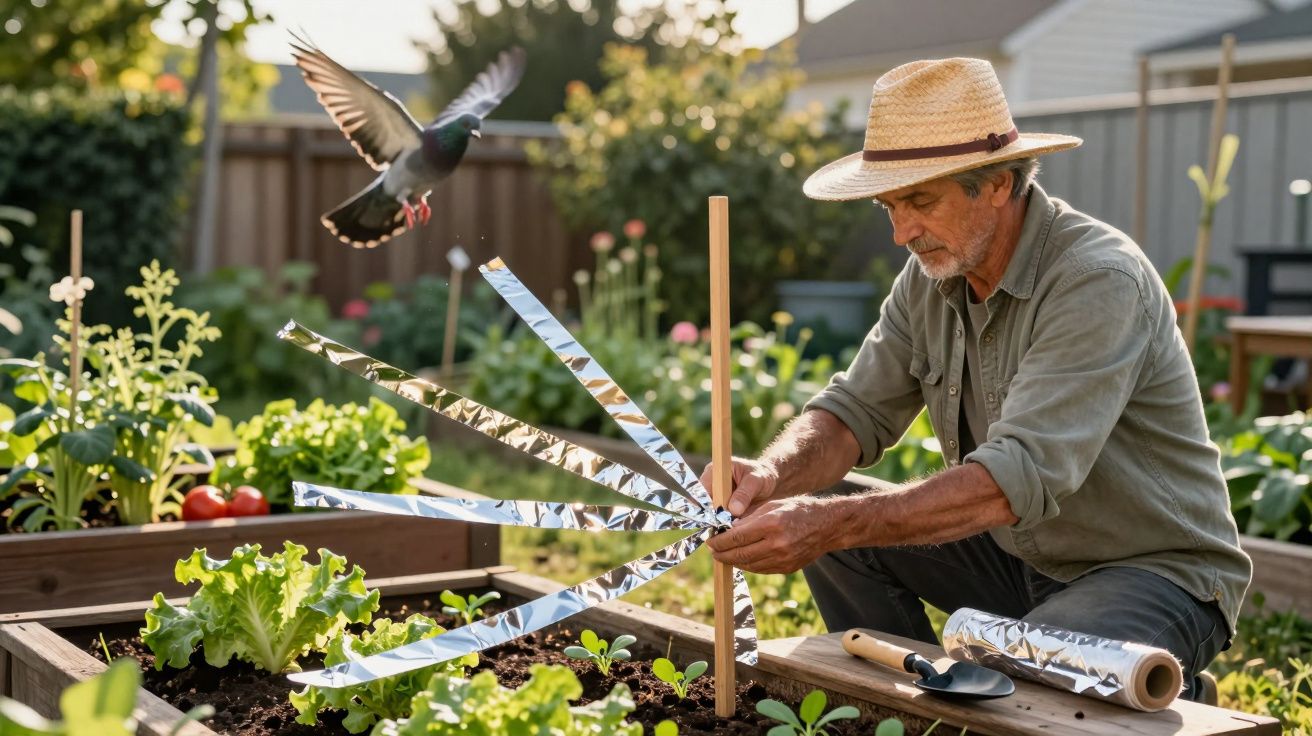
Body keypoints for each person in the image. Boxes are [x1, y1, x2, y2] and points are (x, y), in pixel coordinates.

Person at [702, 57, 1251, 702]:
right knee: (830, 515)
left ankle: (1163, 693)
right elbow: (854, 412)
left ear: (997, 184)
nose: (901, 232)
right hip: (1020, 558)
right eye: (889, 206)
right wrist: (772, 475)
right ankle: (893, 708)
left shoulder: (1097, 279)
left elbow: (1016, 476)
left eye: (920, 201)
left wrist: (836, 521)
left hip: (1151, 570)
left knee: (1016, 678)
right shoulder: (930, 277)